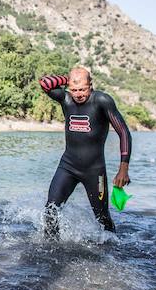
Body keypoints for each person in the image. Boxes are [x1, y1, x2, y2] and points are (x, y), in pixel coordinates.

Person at [39, 67, 132, 239]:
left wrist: (123, 168)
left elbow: (124, 132)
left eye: (82, 89)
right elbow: (44, 83)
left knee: (102, 218)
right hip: (68, 167)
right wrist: (66, 80)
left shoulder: (102, 101)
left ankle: (113, 251)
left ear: (91, 85)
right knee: (50, 210)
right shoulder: (66, 99)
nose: (78, 94)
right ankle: (51, 251)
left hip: (95, 171)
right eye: (74, 90)